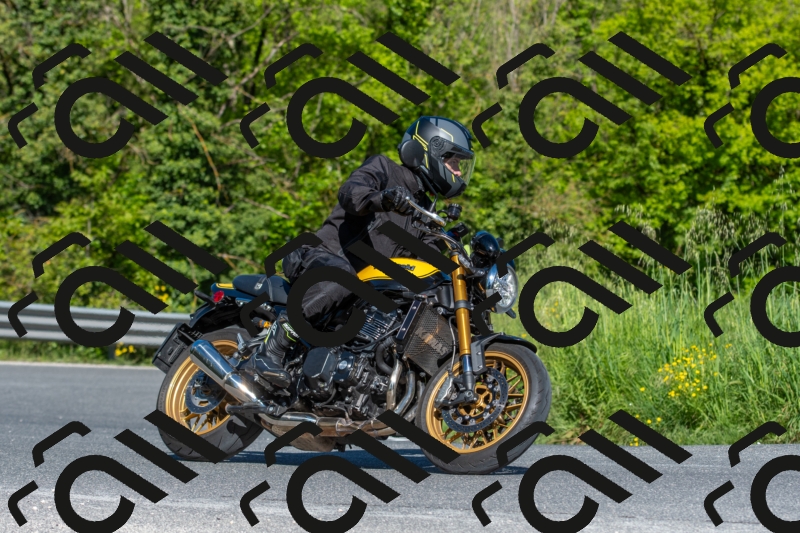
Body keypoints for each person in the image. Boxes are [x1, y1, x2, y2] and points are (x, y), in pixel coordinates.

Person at [242, 116, 476, 387]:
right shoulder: (384, 169)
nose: (459, 172)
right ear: (431, 152)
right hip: (321, 258)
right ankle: (270, 350)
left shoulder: (425, 214)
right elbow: (351, 193)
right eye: (454, 163)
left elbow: (425, 267)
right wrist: (383, 198)